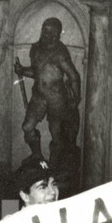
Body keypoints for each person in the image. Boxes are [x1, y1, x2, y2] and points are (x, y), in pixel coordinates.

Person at [13, 17, 82, 176]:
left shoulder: (60, 52)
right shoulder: (36, 49)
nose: (47, 34)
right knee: (27, 127)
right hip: (39, 96)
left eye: (51, 31)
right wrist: (22, 70)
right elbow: (37, 73)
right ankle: (37, 155)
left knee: (56, 134)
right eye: (45, 29)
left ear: (57, 33)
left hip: (56, 98)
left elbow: (74, 76)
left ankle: (53, 167)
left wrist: (76, 98)